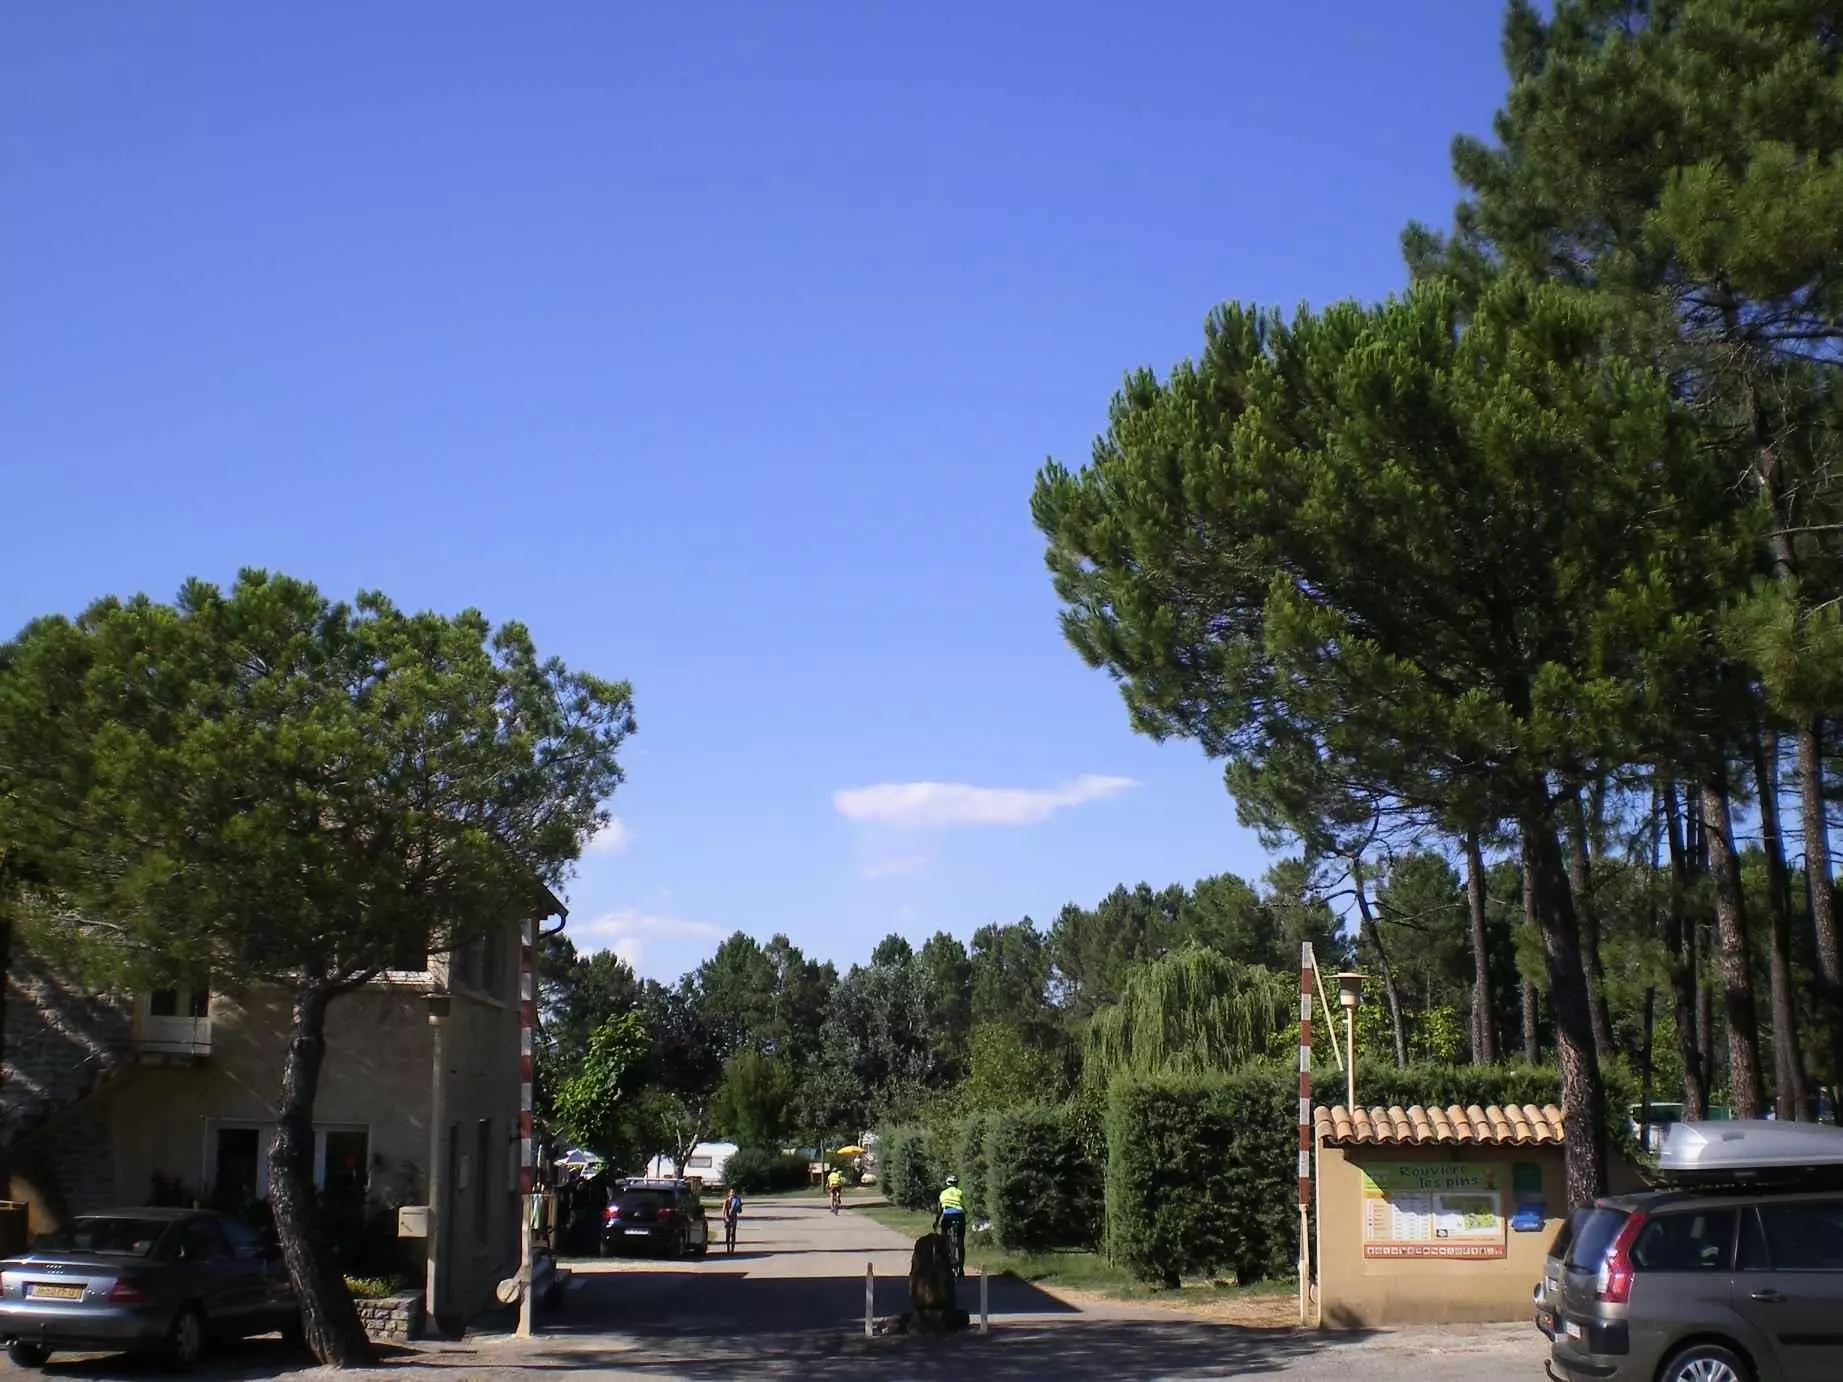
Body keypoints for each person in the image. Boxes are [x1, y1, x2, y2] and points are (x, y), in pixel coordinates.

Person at [935, 1174, 966, 1277]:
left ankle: (945, 1249)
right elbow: (965, 1205)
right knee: (960, 1242)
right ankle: (961, 1269)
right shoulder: (960, 1192)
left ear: (947, 1184)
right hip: (959, 1216)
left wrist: (936, 1222)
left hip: (948, 1216)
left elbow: (940, 1210)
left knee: (943, 1237)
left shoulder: (943, 1193)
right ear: (957, 1183)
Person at [721, 1186, 742, 1253]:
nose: (733, 1193)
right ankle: (728, 1248)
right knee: (728, 1234)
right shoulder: (726, 1201)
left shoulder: (737, 1201)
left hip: (734, 1218)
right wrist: (725, 1218)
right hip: (727, 1219)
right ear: (729, 1193)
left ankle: (732, 1250)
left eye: (734, 1192)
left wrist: (739, 1205)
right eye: (731, 1192)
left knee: (733, 1233)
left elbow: (740, 1211)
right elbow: (723, 1211)